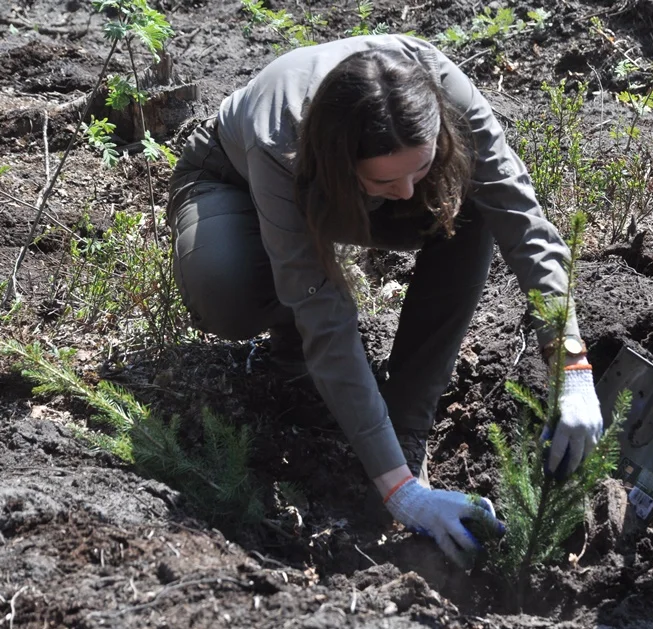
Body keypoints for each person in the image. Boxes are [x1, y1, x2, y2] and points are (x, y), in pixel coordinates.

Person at [165, 34, 604, 569]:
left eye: (419, 170)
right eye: (386, 179)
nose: (407, 194)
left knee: (473, 209)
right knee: (225, 286)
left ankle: (406, 423)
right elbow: (324, 313)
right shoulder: (278, 142)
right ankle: (287, 350)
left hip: (348, 183)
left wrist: (572, 362)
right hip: (234, 184)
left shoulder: (448, 99)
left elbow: (524, 224)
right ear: (342, 160)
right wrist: (401, 493)